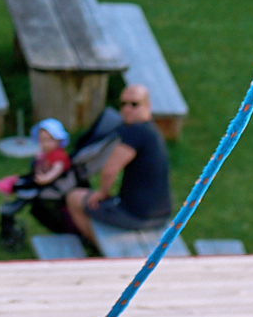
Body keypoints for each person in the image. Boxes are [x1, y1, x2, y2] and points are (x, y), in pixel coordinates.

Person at [63, 83, 173, 250]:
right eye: (123, 104)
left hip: (137, 216)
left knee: (74, 198)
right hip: (162, 213)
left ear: (148, 106)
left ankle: (100, 247)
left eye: (134, 104)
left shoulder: (134, 131)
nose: (127, 109)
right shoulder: (152, 131)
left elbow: (110, 169)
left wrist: (102, 193)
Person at [0, 116, 76, 245]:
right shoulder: (45, 153)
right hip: (37, 180)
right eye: (42, 140)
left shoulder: (59, 155)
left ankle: (8, 218)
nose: (45, 143)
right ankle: (8, 186)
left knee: (21, 190)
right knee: (20, 181)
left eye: (49, 140)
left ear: (59, 140)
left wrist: (46, 178)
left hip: (48, 185)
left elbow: (57, 169)